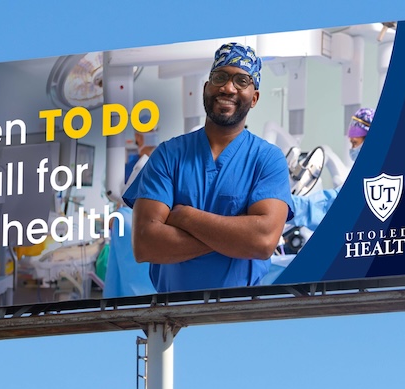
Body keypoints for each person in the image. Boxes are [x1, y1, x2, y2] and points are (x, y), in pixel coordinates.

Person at [122, 42, 294, 293]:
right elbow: (146, 244)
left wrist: (185, 217)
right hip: (172, 316)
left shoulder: (267, 159)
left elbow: (263, 241)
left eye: (241, 81)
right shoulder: (168, 156)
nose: (227, 87)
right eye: (220, 77)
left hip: (239, 313)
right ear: (206, 88)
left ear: (254, 98)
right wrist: (235, 235)